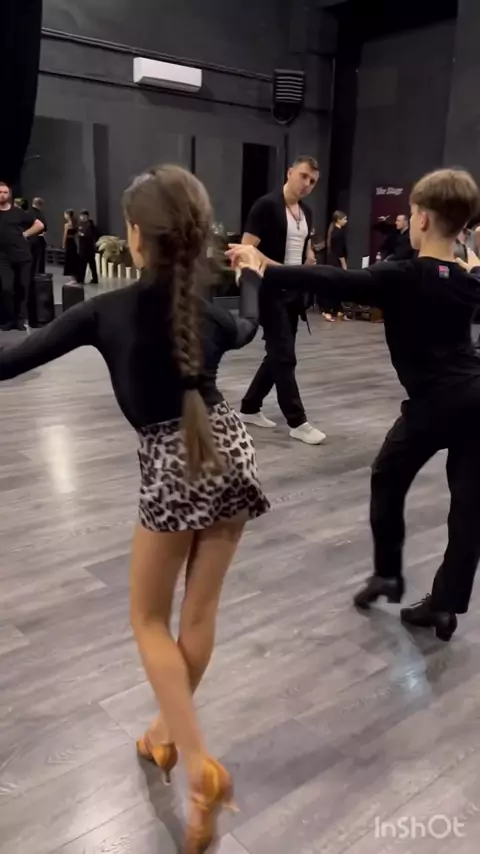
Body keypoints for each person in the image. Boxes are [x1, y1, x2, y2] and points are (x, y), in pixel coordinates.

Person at [0, 165, 269, 852]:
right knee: (199, 615)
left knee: (149, 620)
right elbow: (247, 327)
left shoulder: (104, 311)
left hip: (173, 466)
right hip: (232, 449)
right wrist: (252, 273)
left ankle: (200, 766)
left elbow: (12, 361)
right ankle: (161, 734)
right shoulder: (206, 311)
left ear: (135, 237)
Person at [228, 168, 480, 642]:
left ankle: (388, 574)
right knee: (469, 510)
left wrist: (265, 267)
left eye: (411, 214)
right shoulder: (468, 281)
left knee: (387, 476)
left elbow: (334, 279)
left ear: (422, 220)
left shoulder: (404, 275)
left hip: (433, 405)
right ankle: (445, 606)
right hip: (475, 400)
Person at [239, 155, 326, 445]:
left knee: (276, 354)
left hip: (294, 293)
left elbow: (305, 247)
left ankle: (250, 407)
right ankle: (297, 422)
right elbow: (246, 249)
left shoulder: (307, 212)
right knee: (285, 356)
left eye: (313, 181)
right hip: (269, 290)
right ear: (289, 173)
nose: (307, 184)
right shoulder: (266, 206)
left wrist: (309, 259)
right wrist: (278, 270)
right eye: (304, 176)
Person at [0, 181, 45, 331]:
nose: (2, 195)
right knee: (7, 288)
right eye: (0, 192)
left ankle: (20, 320)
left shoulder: (18, 212)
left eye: (5, 192)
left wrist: (25, 234)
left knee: (22, 287)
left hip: (22, 256)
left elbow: (39, 225)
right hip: (3, 257)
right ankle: (10, 319)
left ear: (9, 195)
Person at [323, 210, 348, 321]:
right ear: (338, 220)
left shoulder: (334, 232)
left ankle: (339, 310)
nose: (346, 221)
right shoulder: (338, 233)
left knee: (336, 286)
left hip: (332, 261)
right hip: (336, 262)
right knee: (333, 286)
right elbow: (339, 251)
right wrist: (344, 264)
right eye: (344, 219)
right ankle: (327, 311)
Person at [77, 210, 99, 284]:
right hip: (82, 247)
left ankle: (93, 279)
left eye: (82, 216)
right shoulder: (81, 224)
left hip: (88, 248)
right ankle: (81, 279)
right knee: (83, 264)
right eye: (80, 216)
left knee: (90, 264)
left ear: (86, 216)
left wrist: (83, 235)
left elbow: (91, 235)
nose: (81, 217)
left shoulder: (90, 225)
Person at [31, 197, 47, 275]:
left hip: (29, 238)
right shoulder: (39, 214)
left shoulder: (28, 212)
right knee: (39, 258)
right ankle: (39, 274)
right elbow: (44, 226)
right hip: (38, 238)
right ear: (39, 205)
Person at [63, 209, 79, 280]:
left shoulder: (67, 225)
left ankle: (73, 278)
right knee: (74, 260)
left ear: (68, 215)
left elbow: (65, 236)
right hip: (73, 243)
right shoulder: (75, 224)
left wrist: (63, 244)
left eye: (65, 214)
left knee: (70, 260)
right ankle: (75, 277)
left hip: (69, 243)